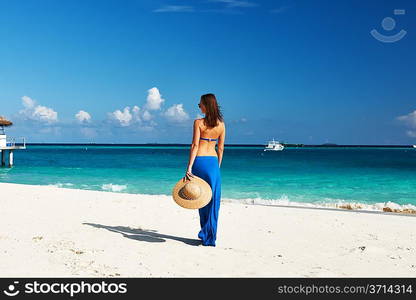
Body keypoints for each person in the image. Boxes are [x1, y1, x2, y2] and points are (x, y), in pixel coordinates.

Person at [183, 93, 225, 247]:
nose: (199, 106)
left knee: (202, 199)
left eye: (200, 104)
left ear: (207, 105)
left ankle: (204, 232)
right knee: (213, 200)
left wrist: (189, 167)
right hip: (213, 163)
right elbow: (220, 148)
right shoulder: (221, 125)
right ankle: (210, 235)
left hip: (199, 161)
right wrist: (217, 167)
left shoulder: (198, 123)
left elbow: (194, 146)